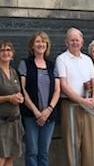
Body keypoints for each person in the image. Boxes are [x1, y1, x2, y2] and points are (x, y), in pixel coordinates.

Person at [55, 28, 94, 166]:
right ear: (66, 42)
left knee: (90, 146)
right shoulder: (61, 59)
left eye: (77, 40)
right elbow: (64, 84)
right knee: (72, 145)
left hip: (89, 106)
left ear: (82, 41)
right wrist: (81, 100)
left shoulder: (88, 60)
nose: (75, 42)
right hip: (71, 106)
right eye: (72, 40)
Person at [19, 31, 61, 166]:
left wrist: (48, 110)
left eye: (43, 42)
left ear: (47, 45)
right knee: (32, 151)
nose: (40, 44)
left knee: (44, 151)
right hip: (31, 115)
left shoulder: (52, 66)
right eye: (37, 41)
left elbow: (57, 90)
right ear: (32, 45)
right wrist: (36, 112)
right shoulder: (25, 64)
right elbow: (22, 89)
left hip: (49, 115)